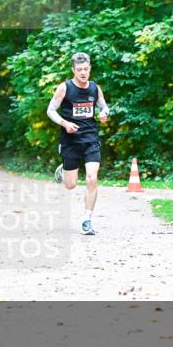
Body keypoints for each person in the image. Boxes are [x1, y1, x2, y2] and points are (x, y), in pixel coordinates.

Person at [46, 52, 110, 236]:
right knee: (70, 185)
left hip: (90, 139)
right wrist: (64, 123)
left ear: (90, 68)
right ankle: (63, 171)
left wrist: (105, 113)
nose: (83, 72)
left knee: (92, 178)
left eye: (86, 69)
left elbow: (103, 106)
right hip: (70, 141)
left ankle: (87, 220)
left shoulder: (95, 88)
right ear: (73, 70)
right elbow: (50, 110)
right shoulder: (64, 88)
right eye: (79, 69)